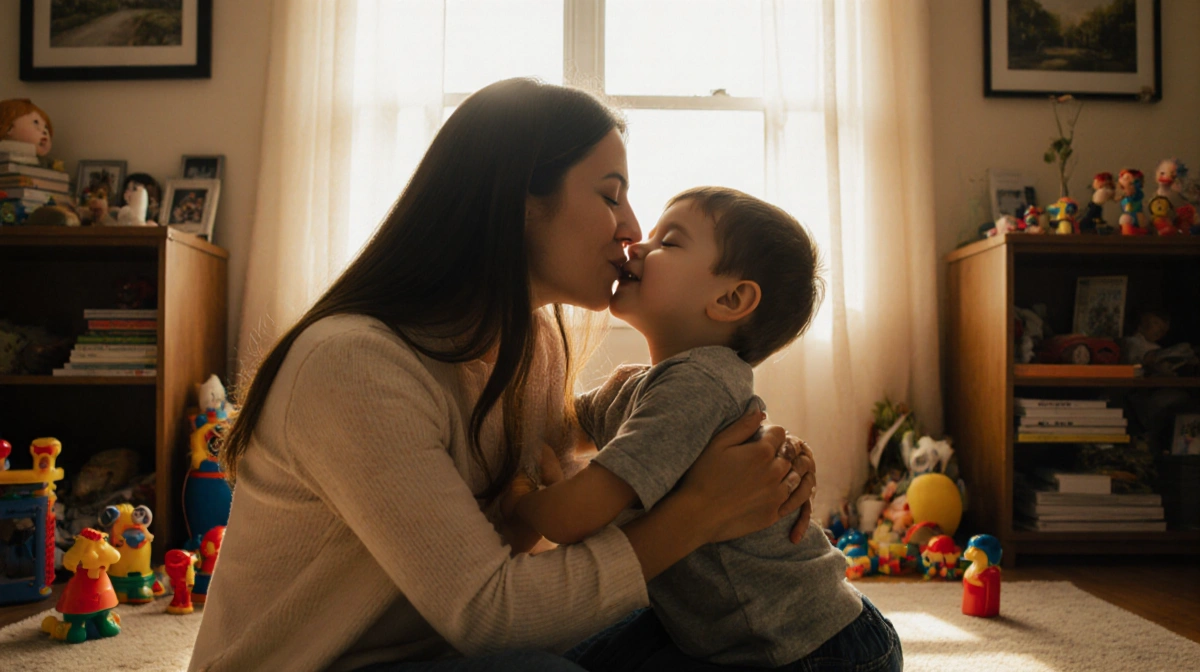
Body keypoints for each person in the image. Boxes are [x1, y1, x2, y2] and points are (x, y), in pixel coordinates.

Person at [190, 78, 818, 672]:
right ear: (520, 199)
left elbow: (571, 436)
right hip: (329, 664)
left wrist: (750, 457)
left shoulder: (530, 340)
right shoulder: (353, 365)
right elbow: (491, 615)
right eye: (609, 194)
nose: (630, 230)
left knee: (735, 636)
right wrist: (702, 512)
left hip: (437, 653)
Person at [511, 187, 901, 671]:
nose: (637, 246)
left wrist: (523, 495)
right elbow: (557, 426)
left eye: (668, 243)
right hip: (713, 631)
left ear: (731, 298)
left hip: (813, 647)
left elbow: (573, 518)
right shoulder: (638, 385)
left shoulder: (698, 385)